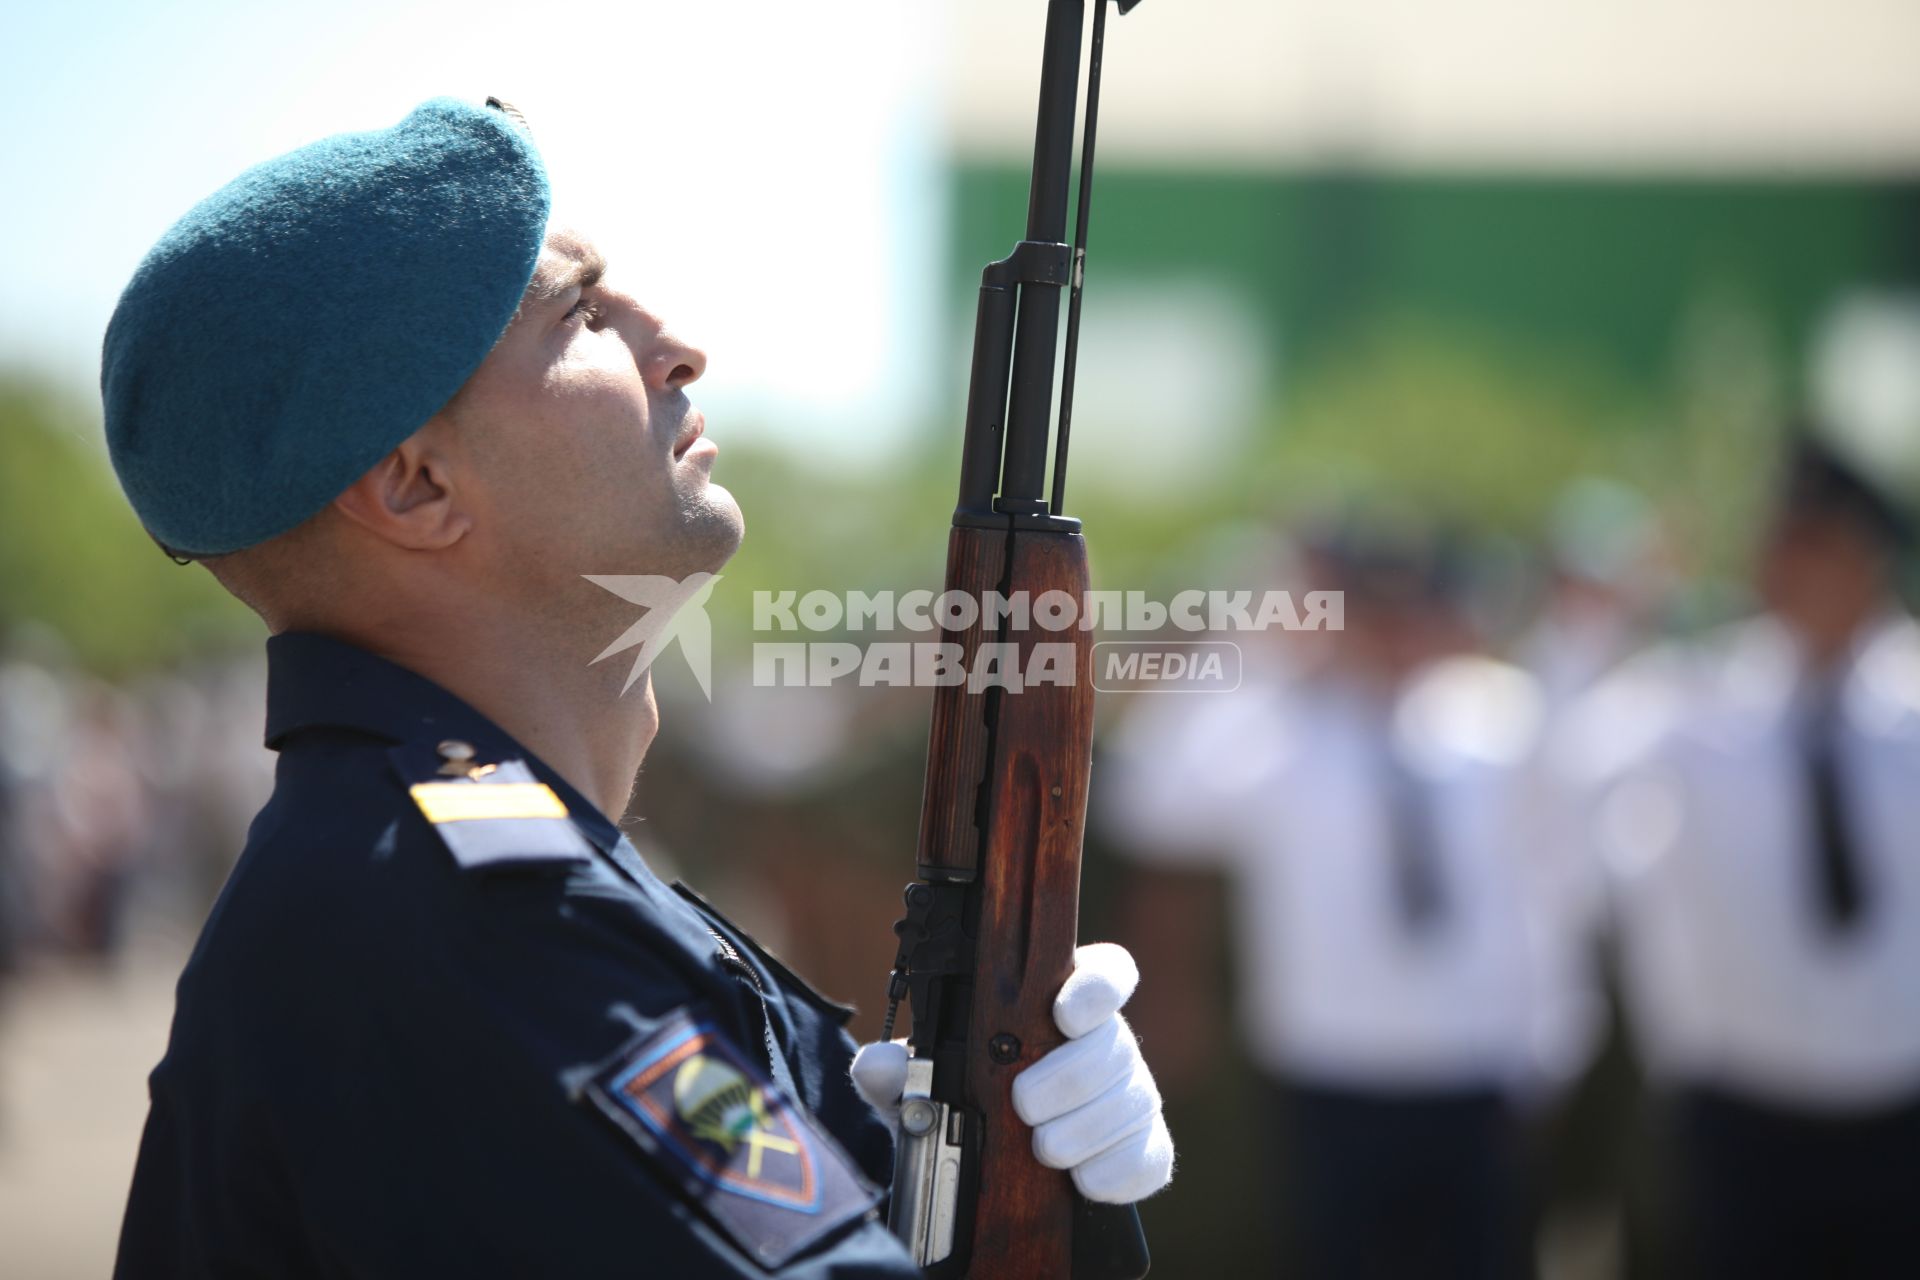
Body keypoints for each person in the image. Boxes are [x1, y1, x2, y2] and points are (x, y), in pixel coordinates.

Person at [99, 97, 1172, 1277]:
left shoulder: (456, 875)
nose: (674, 342)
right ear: (414, 486)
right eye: (578, 311)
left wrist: (1005, 1191)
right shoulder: (478, 923)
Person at [1103, 526, 1564, 1279]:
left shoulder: (1499, 720)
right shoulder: (1278, 733)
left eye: (1410, 608)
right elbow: (1151, 800)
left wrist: (1551, 1041)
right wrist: (1251, 630)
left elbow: (1552, 885)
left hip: (1477, 1068)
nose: (1391, 632)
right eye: (1366, 610)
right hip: (1332, 1074)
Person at [1565, 434, 1920, 1278]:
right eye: (1776, 542)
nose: (1782, 567)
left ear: (1865, 557)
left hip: (1904, 1107)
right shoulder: (1698, 701)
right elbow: (1557, 775)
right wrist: (1613, 614)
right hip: (1742, 1111)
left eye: (1809, 545)